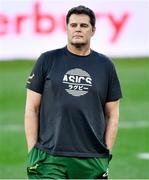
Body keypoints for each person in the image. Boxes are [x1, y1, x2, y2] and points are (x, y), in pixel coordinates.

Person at [24, 5, 122, 179]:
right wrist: (32, 150)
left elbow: (112, 114)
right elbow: (32, 109)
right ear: (67, 28)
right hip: (49, 158)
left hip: (92, 159)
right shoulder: (47, 60)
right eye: (73, 25)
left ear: (93, 30)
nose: (78, 29)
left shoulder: (106, 66)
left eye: (83, 25)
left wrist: (106, 153)